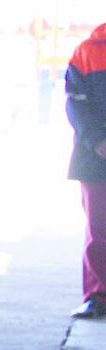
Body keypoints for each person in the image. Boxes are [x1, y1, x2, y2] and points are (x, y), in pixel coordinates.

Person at [64, 23, 106, 318]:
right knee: (100, 231)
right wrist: (98, 141)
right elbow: (75, 103)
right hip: (96, 157)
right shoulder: (88, 51)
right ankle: (99, 297)